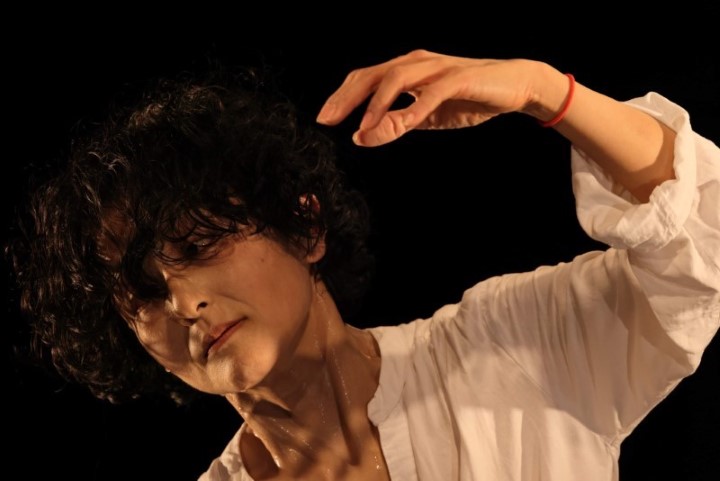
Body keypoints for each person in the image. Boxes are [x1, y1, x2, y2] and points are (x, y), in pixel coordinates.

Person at [7, 49, 718, 480]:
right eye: (142, 294)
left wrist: (548, 93)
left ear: (305, 225)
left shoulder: (510, 346)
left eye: (197, 246)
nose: (183, 303)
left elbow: (701, 247)